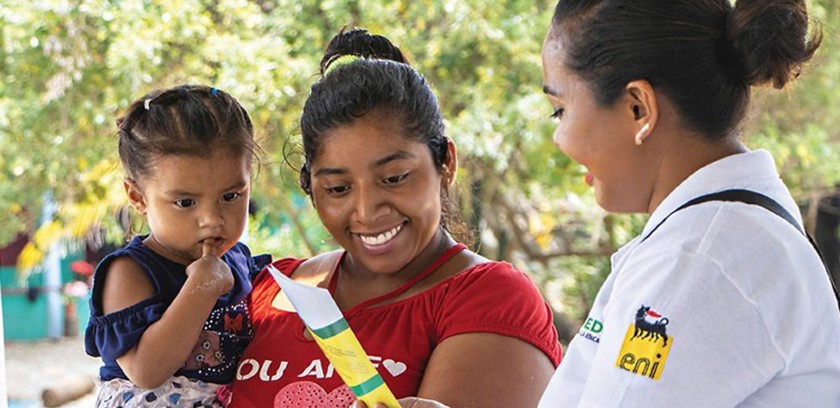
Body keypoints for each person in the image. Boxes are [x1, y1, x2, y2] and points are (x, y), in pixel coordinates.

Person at [229, 28, 562, 408]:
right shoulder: (268, 288)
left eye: (394, 178)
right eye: (338, 188)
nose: (368, 210)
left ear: (446, 163)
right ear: (311, 187)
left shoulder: (489, 299)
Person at [537, 0, 840, 407]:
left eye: (560, 110)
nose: (559, 139)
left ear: (638, 108)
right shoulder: (718, 235)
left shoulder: (702, 258)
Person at [84, 85, 271, 407]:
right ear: (138, 198)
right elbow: (146, 370)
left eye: (231, 196)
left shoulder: (240, 261)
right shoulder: (129, 272)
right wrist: (201, 287)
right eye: (185, 202)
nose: (212, 219)